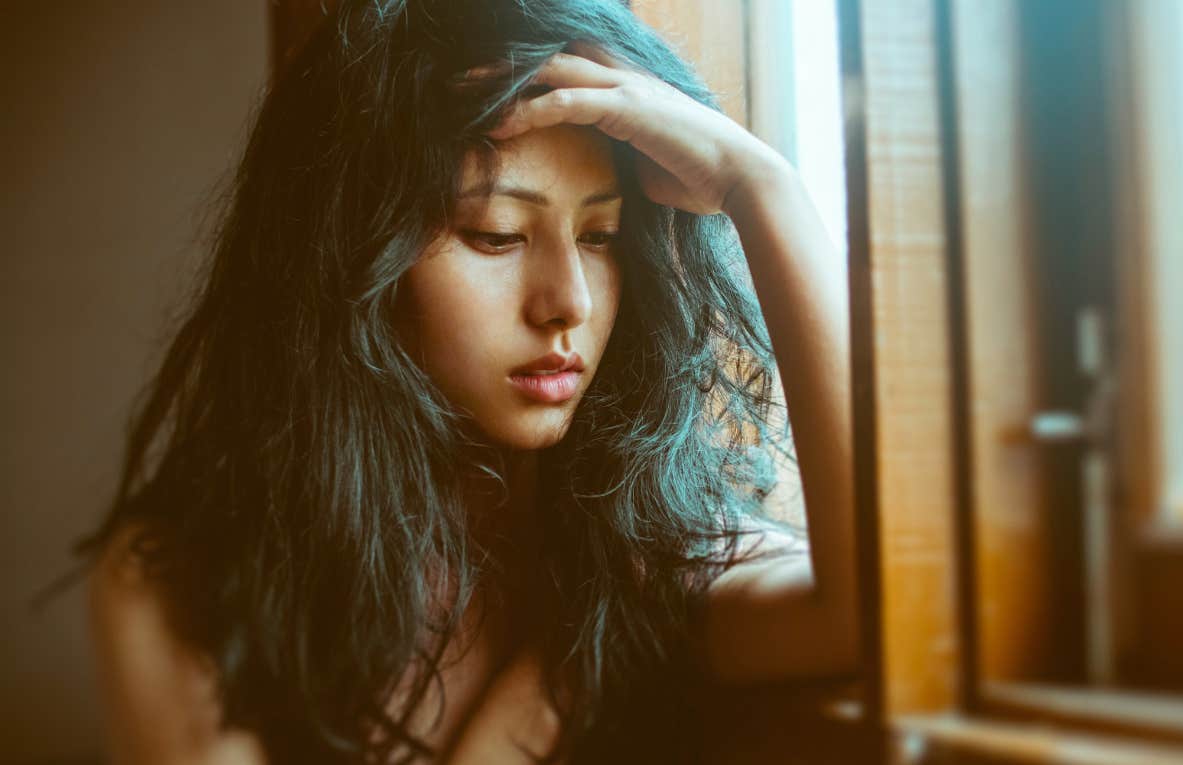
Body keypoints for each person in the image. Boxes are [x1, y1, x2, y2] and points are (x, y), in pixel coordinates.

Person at [74, 0, 856, 762]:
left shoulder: (640, 558)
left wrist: (759, 185)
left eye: (600, 235)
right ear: (354, 258)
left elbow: (877, 611)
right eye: (497, 235)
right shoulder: (182, 588)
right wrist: (539, 696)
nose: (569, 303)